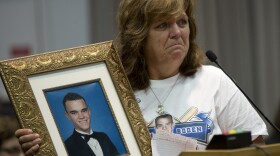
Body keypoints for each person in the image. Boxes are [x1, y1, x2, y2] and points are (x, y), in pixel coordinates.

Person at [15, 0, 268, 155]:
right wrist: (44, 148)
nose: (177, 32)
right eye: (162, 25)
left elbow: (255, 145)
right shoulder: (112, 89)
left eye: (182, 22)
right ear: (138, 37)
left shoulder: (213, 80)